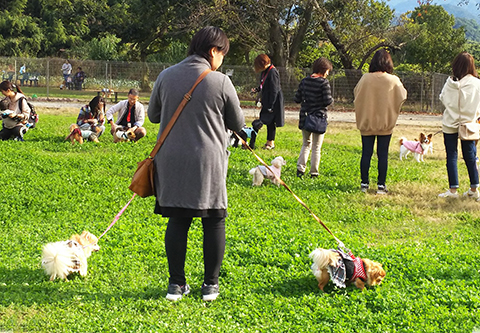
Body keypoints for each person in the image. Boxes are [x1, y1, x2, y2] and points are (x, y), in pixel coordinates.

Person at [148, 26, 244, 302]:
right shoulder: (220, 82)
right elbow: (237, 124)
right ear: (213, 51)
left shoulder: (165, 76)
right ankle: (210, 286)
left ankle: (176, 285)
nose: (222, 60)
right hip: (208, 160)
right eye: (222, 54)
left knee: (178, 219)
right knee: (214, 220)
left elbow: (154, 116)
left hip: (171, 158)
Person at [354, 49, 407, 194]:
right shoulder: (393, 80)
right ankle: (381, 186)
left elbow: (356, 93)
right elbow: (403, 95)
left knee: (366, 153)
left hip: (367, 123)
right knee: (383, 154)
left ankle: (364, 184)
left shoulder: (365, 78)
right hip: (386, 123)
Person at [438, 52, 480, 199]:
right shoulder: (476, 83)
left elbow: (442, 98)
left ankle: (453, 190)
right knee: (470, 156)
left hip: (450, 122)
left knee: (451, 155)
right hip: (469, 124)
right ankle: (474, 189)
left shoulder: (449, 83)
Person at [294, 57, 333, 179]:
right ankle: (314, 172)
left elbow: (297, 99)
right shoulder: (323, 83)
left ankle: (300, 169)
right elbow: (327, 101)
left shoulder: (305, 81)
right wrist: (332, 100)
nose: (328, 73)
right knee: (316, 147)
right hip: (318, 118)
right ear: (324, 69)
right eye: (327, 71)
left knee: (306, 144)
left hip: (305, 117)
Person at [251, 54, 284, 150]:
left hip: (273, 101)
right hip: (267, 99)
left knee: (270, 122)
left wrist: (270, 106)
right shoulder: (265, 72)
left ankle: (271, 143)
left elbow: (274, 90)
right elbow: (264, 84)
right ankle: (268, 142)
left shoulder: (273, 72)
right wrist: (257, 90)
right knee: (267, 121)